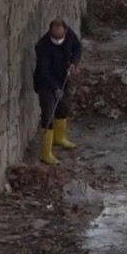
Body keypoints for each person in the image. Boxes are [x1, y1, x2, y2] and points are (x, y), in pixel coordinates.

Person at [33, 18, 83, 165]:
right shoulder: (42, 46)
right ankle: (46, 153)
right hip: (46, 83)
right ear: (50, 32)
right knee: (48, 115)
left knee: (63, 107)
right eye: (55, 36)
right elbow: (43, 72)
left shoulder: (69, 36)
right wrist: (55, 88)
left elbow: (78, 48)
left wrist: (74, 63)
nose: (58, 38)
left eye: (60, 36)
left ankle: (59, 138)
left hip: (63, 79)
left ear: (65, 31)